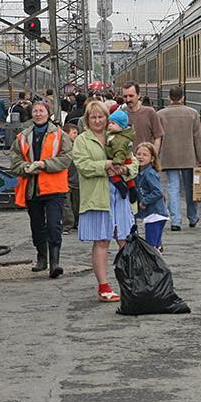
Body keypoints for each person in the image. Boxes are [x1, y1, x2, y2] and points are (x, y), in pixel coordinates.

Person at [72, 101, 132, 302]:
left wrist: (126, 169)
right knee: (102, 241)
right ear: (87, 120)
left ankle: (130, 283)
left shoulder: (117, 135)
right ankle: (104, 286)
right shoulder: (82, 140)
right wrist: (105, 165)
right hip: (97, 196)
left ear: (107, 118)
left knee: (125, 240)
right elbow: (83, 166)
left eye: (101, 117)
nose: (97, 120)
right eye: (93, 117)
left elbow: (133, 162)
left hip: (119, 196)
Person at [9, 100, 73, 278]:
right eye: (35, 111)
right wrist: (25, 167)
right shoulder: (23, 136)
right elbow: (14, 160)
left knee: (53, 226)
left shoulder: (60, 135)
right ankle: (42, 258)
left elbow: (66, 158)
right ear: (31, 114)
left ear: (48, 113)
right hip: (32, 188)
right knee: (37, 227)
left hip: (54, 188)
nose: (38, 114)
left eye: (41, 111)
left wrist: (44, 164)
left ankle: (55, 263)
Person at [157, 86, 201, 231]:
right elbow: (198, 138)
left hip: (169, 157)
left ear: (169, 97)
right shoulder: (193, 113)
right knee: (190, 188)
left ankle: (176, 221)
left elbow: (158, 138)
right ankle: (192, 217)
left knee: (173, 187)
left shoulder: (160, 115)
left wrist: (156, 157)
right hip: (189, 157)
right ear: (183, 97)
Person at [134, 142, 169, 250]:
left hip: (155, 213)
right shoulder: (140, 173)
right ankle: (157, 252)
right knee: (154, 244)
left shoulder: (149, 173)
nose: (141, 157)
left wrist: (145, 201)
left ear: (152, 158)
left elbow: (158, 192)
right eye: (138, 154)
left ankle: (154, 259)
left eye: (145, 155)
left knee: (151, 246)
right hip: (152, 214)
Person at [122, 82, 164, 149]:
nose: (128, 99)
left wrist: (154, 153)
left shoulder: (150, 113)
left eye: (131, 96)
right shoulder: (120, 114)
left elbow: (158, 137)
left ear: (138, 95)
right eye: (125, 96)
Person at [62, 122, 80, 231]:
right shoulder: (63, 148)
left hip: (76, 180)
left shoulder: (78, 147)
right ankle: (67, 225)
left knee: (76, 204)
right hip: (66, 180)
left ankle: (76, 223)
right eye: (74, 133)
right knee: (67, 205)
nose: (76, 135)